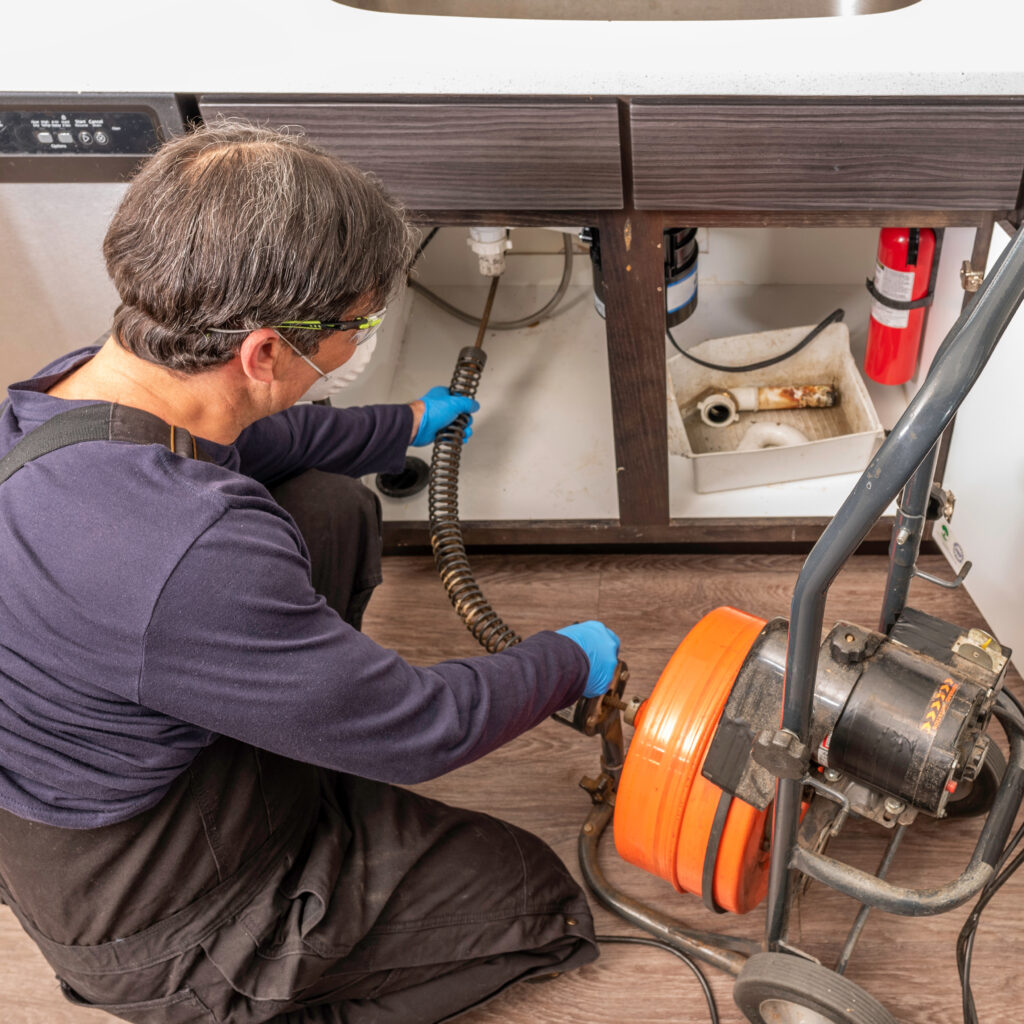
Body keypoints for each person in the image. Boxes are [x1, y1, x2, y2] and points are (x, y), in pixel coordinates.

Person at [0, 123, 620, 1024]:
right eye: (357, 326)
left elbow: (255, 435)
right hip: (152, 908)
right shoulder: (190, 551)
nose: (362, 338)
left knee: (330, 504)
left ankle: (305, 705)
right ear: (262, 352)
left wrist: (401, 421)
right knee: (534, 901)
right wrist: (570, 657)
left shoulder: (65, 397)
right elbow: (419, 729)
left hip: (104, 761)